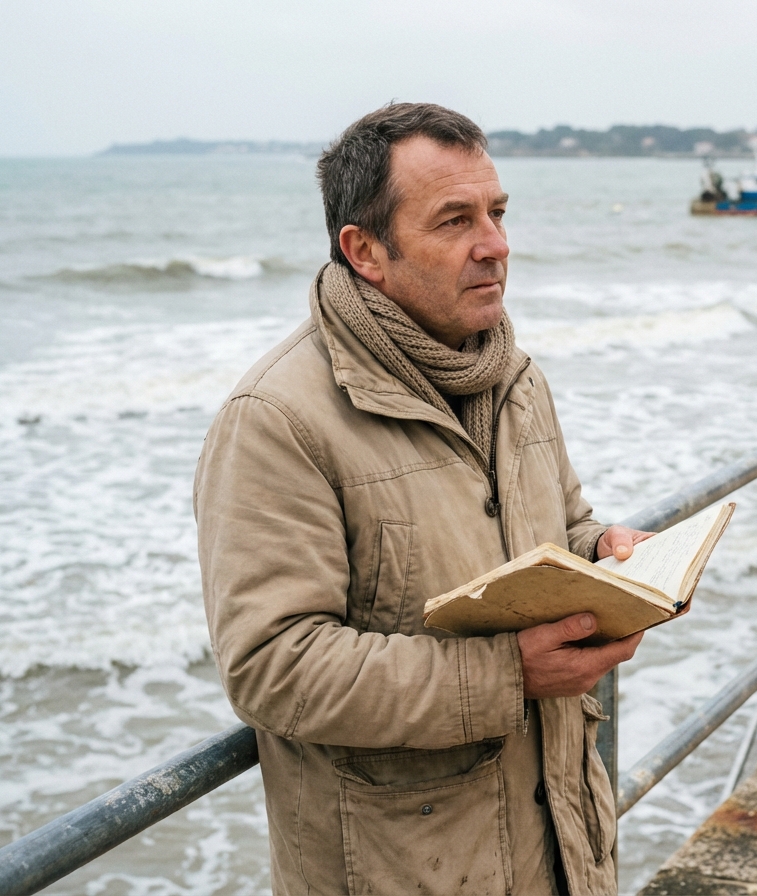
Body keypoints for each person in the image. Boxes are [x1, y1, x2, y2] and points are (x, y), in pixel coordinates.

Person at [194, 102, 651, 896]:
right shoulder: (276, 421)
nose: (496, 246)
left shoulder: (515, 378)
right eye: (454, 221)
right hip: (404, 870)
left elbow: (562, 526)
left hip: (562, 850)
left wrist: (603, 558)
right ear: (365, 250)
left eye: (498, 213)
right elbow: (272, 665)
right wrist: (510, 674)